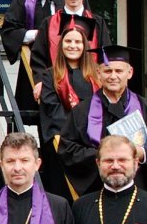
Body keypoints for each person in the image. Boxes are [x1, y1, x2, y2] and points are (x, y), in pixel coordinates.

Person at [57, 45, 147, 195]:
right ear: (98, 73)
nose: (113, 76)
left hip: (139, 192)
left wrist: (140, 152)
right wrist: (103, 156)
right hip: (98, 191)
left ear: (130, 73)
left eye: (119, 71)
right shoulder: (82, 111)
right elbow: (67, 149)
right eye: (108, 71)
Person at [0, 0, 65, 118]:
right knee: (34, 116)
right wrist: (35, 34)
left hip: (67, 66)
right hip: (35, 67)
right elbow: (9, 31)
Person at [37, 14, 101, 197]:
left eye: (78, 42)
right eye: (68, 41)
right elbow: (53, 111)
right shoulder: (50, 76)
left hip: (92, 146)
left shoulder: (96, 76)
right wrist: (76, 138)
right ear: (61, 44)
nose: (73, 46)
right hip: (63, 145)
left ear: (85, 46)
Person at [29, 0, 108, 94]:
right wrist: (40, 81)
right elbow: (38, 57)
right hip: (56, 86)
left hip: (90, 87)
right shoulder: (49, 23)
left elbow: (104, 56)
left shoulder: (97, 23)